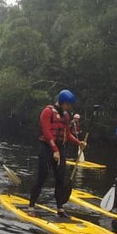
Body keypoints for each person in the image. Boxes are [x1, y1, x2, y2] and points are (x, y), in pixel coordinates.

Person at [29, 89, 85, 217]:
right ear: (62, 102)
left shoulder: (66, 115)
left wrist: (78, 143)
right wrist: (54, 150)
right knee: (42, 177)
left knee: (60, 179)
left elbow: (67, 134)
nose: (69, 107)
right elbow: (47, 132)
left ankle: (60, 208)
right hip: (46, 147)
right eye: (68, 104)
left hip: (59, 147)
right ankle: (31, 206)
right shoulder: (47, 112)